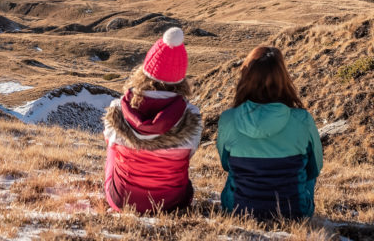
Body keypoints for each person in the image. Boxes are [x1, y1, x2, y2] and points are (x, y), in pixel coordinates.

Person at [216, 45, 323, 220]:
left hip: (237, 210)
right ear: (283, 78)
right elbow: (314, 168)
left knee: (235, 170)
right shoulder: (302, 119)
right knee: (306, 172)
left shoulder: (229, 118)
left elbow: (225, 164)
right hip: (294, 212)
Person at [103, 27, 203, 213]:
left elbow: (110, 142)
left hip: (122, 200)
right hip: (172, 204)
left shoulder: (118, 108)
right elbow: (190, 154)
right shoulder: (191, 115)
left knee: (112, 147)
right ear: (181, 78)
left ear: (145, 70)